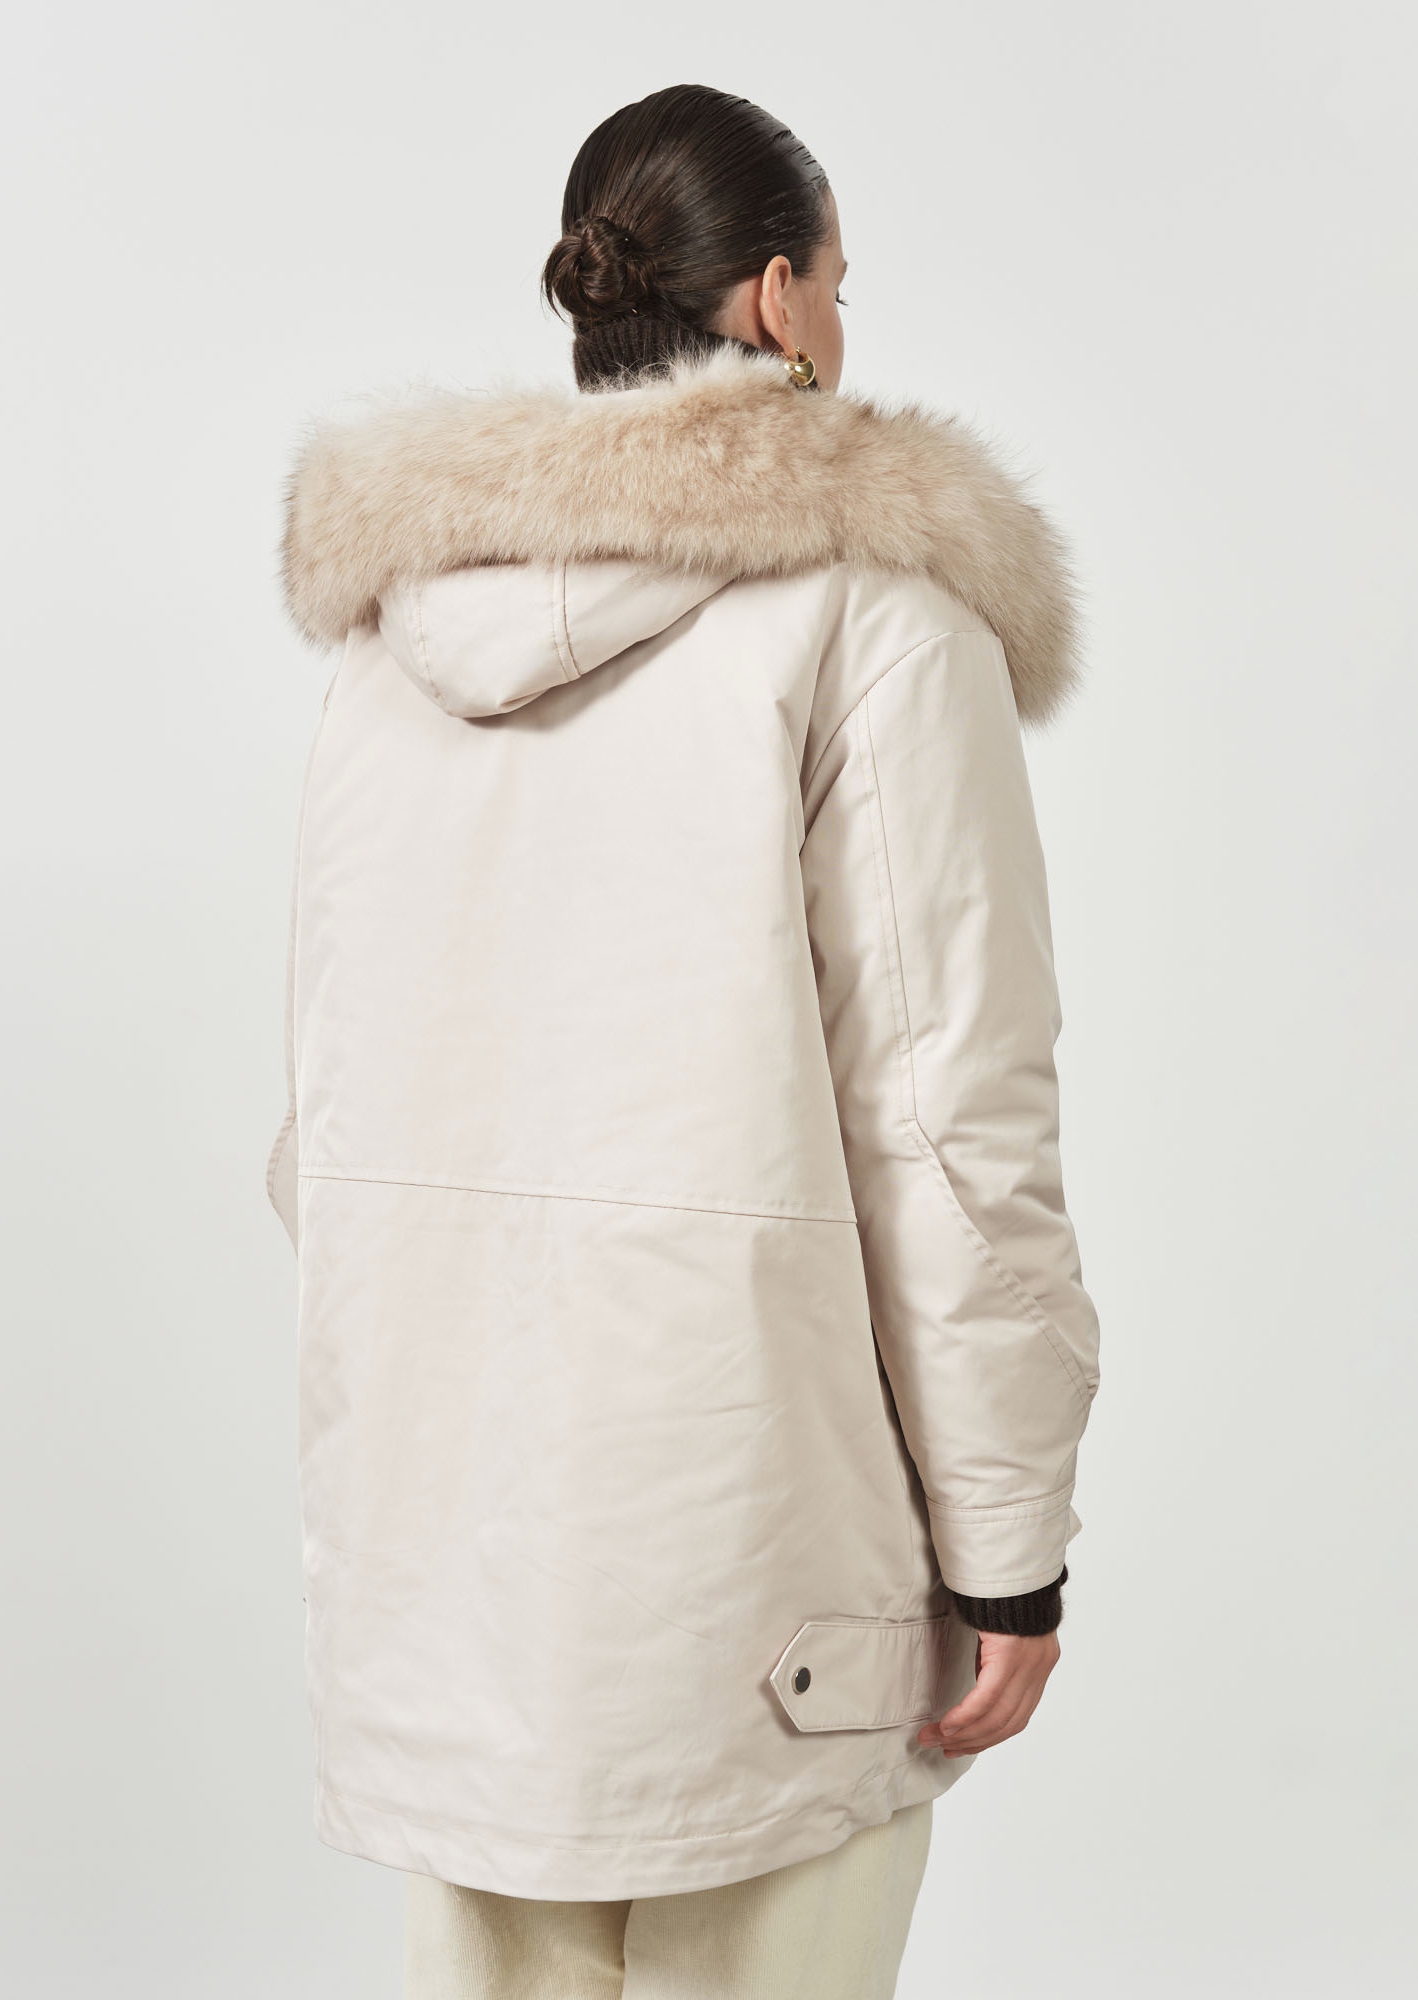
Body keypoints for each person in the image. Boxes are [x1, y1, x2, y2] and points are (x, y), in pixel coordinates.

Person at [271, 82, 1101, 2000]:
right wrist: (1009, 1544)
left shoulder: (392, 642)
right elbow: (949, 1130)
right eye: (844, 286)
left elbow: (326, 1131)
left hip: (459, 1579)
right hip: (760, 1573)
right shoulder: (873, 619)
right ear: (782, 301)